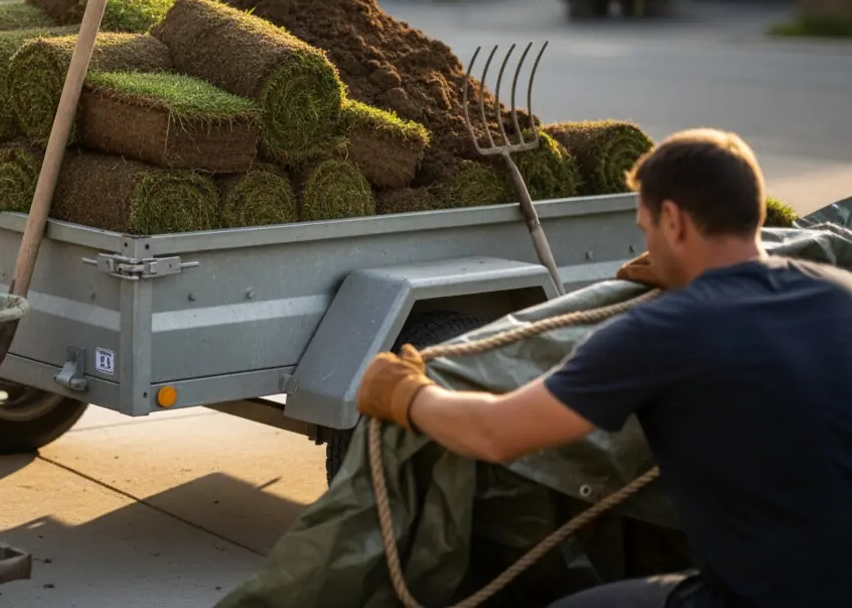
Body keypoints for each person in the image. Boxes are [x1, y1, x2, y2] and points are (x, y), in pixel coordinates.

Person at [356, 128, 852, 607]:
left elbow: (495, 433)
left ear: (674, 222)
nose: (645, 248)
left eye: (646, 230)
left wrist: (408, 394)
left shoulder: (661, 331)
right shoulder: (838, 291)